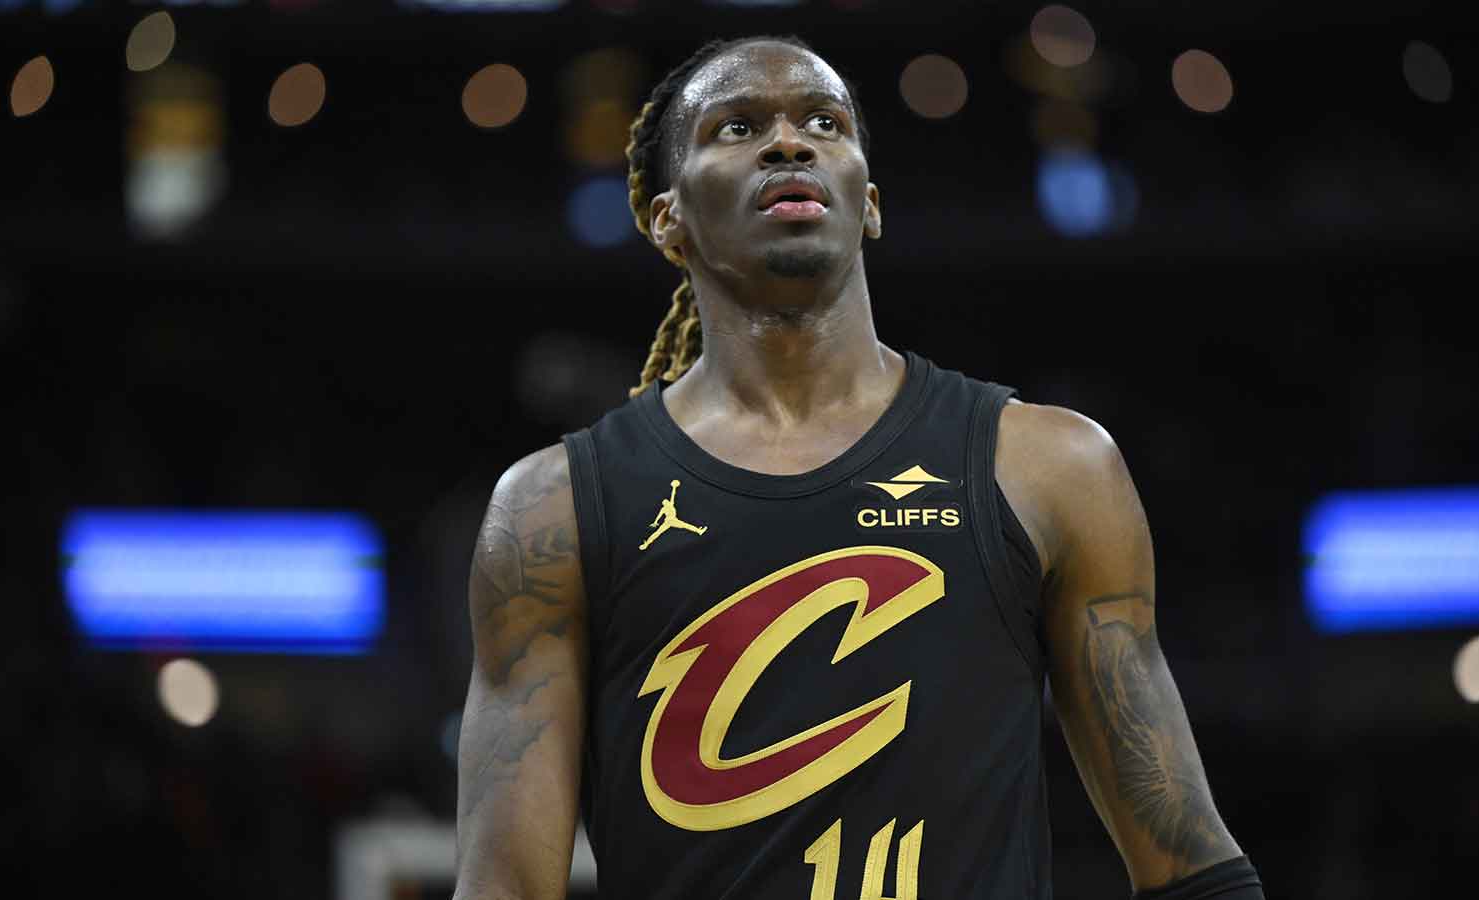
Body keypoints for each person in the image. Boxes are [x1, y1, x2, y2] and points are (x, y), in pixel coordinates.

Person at [453, 35, 1265, 900]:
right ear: (666, 218)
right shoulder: (551, 512)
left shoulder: (1049, 465)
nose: (788, 142)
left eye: (823, 122)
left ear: (868, 202)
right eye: (736, 127)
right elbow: (504, 889)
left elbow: (1189, 863)